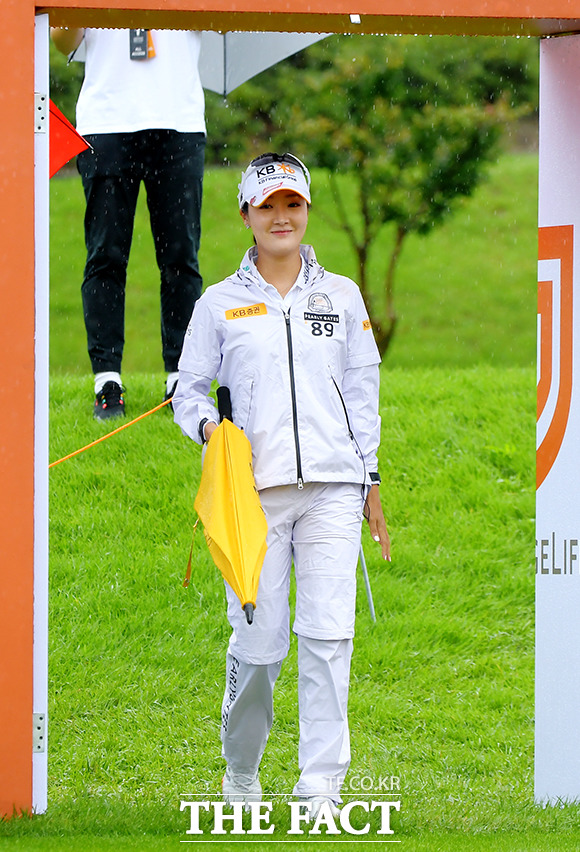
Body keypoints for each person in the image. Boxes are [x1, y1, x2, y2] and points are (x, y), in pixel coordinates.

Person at [172, 153, 390, 818]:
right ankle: (241, 771)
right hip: (252, 495)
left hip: (333, 488)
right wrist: (210, 428)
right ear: (246, 214)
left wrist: (370, 477)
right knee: (260, 646)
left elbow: (362, 389)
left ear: (307, 209)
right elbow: (188, 389)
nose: (281, 217)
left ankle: (320, 786)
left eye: (292, 203)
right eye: (267, 206)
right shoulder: (218, 303)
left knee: (327, 637)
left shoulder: (342, 296)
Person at [51, 27, 206, 419]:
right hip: (106, 121)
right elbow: (63, 41)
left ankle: (181, 378)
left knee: (181, 256)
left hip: (179, 119)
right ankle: (107, 380)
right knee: (105, 255)